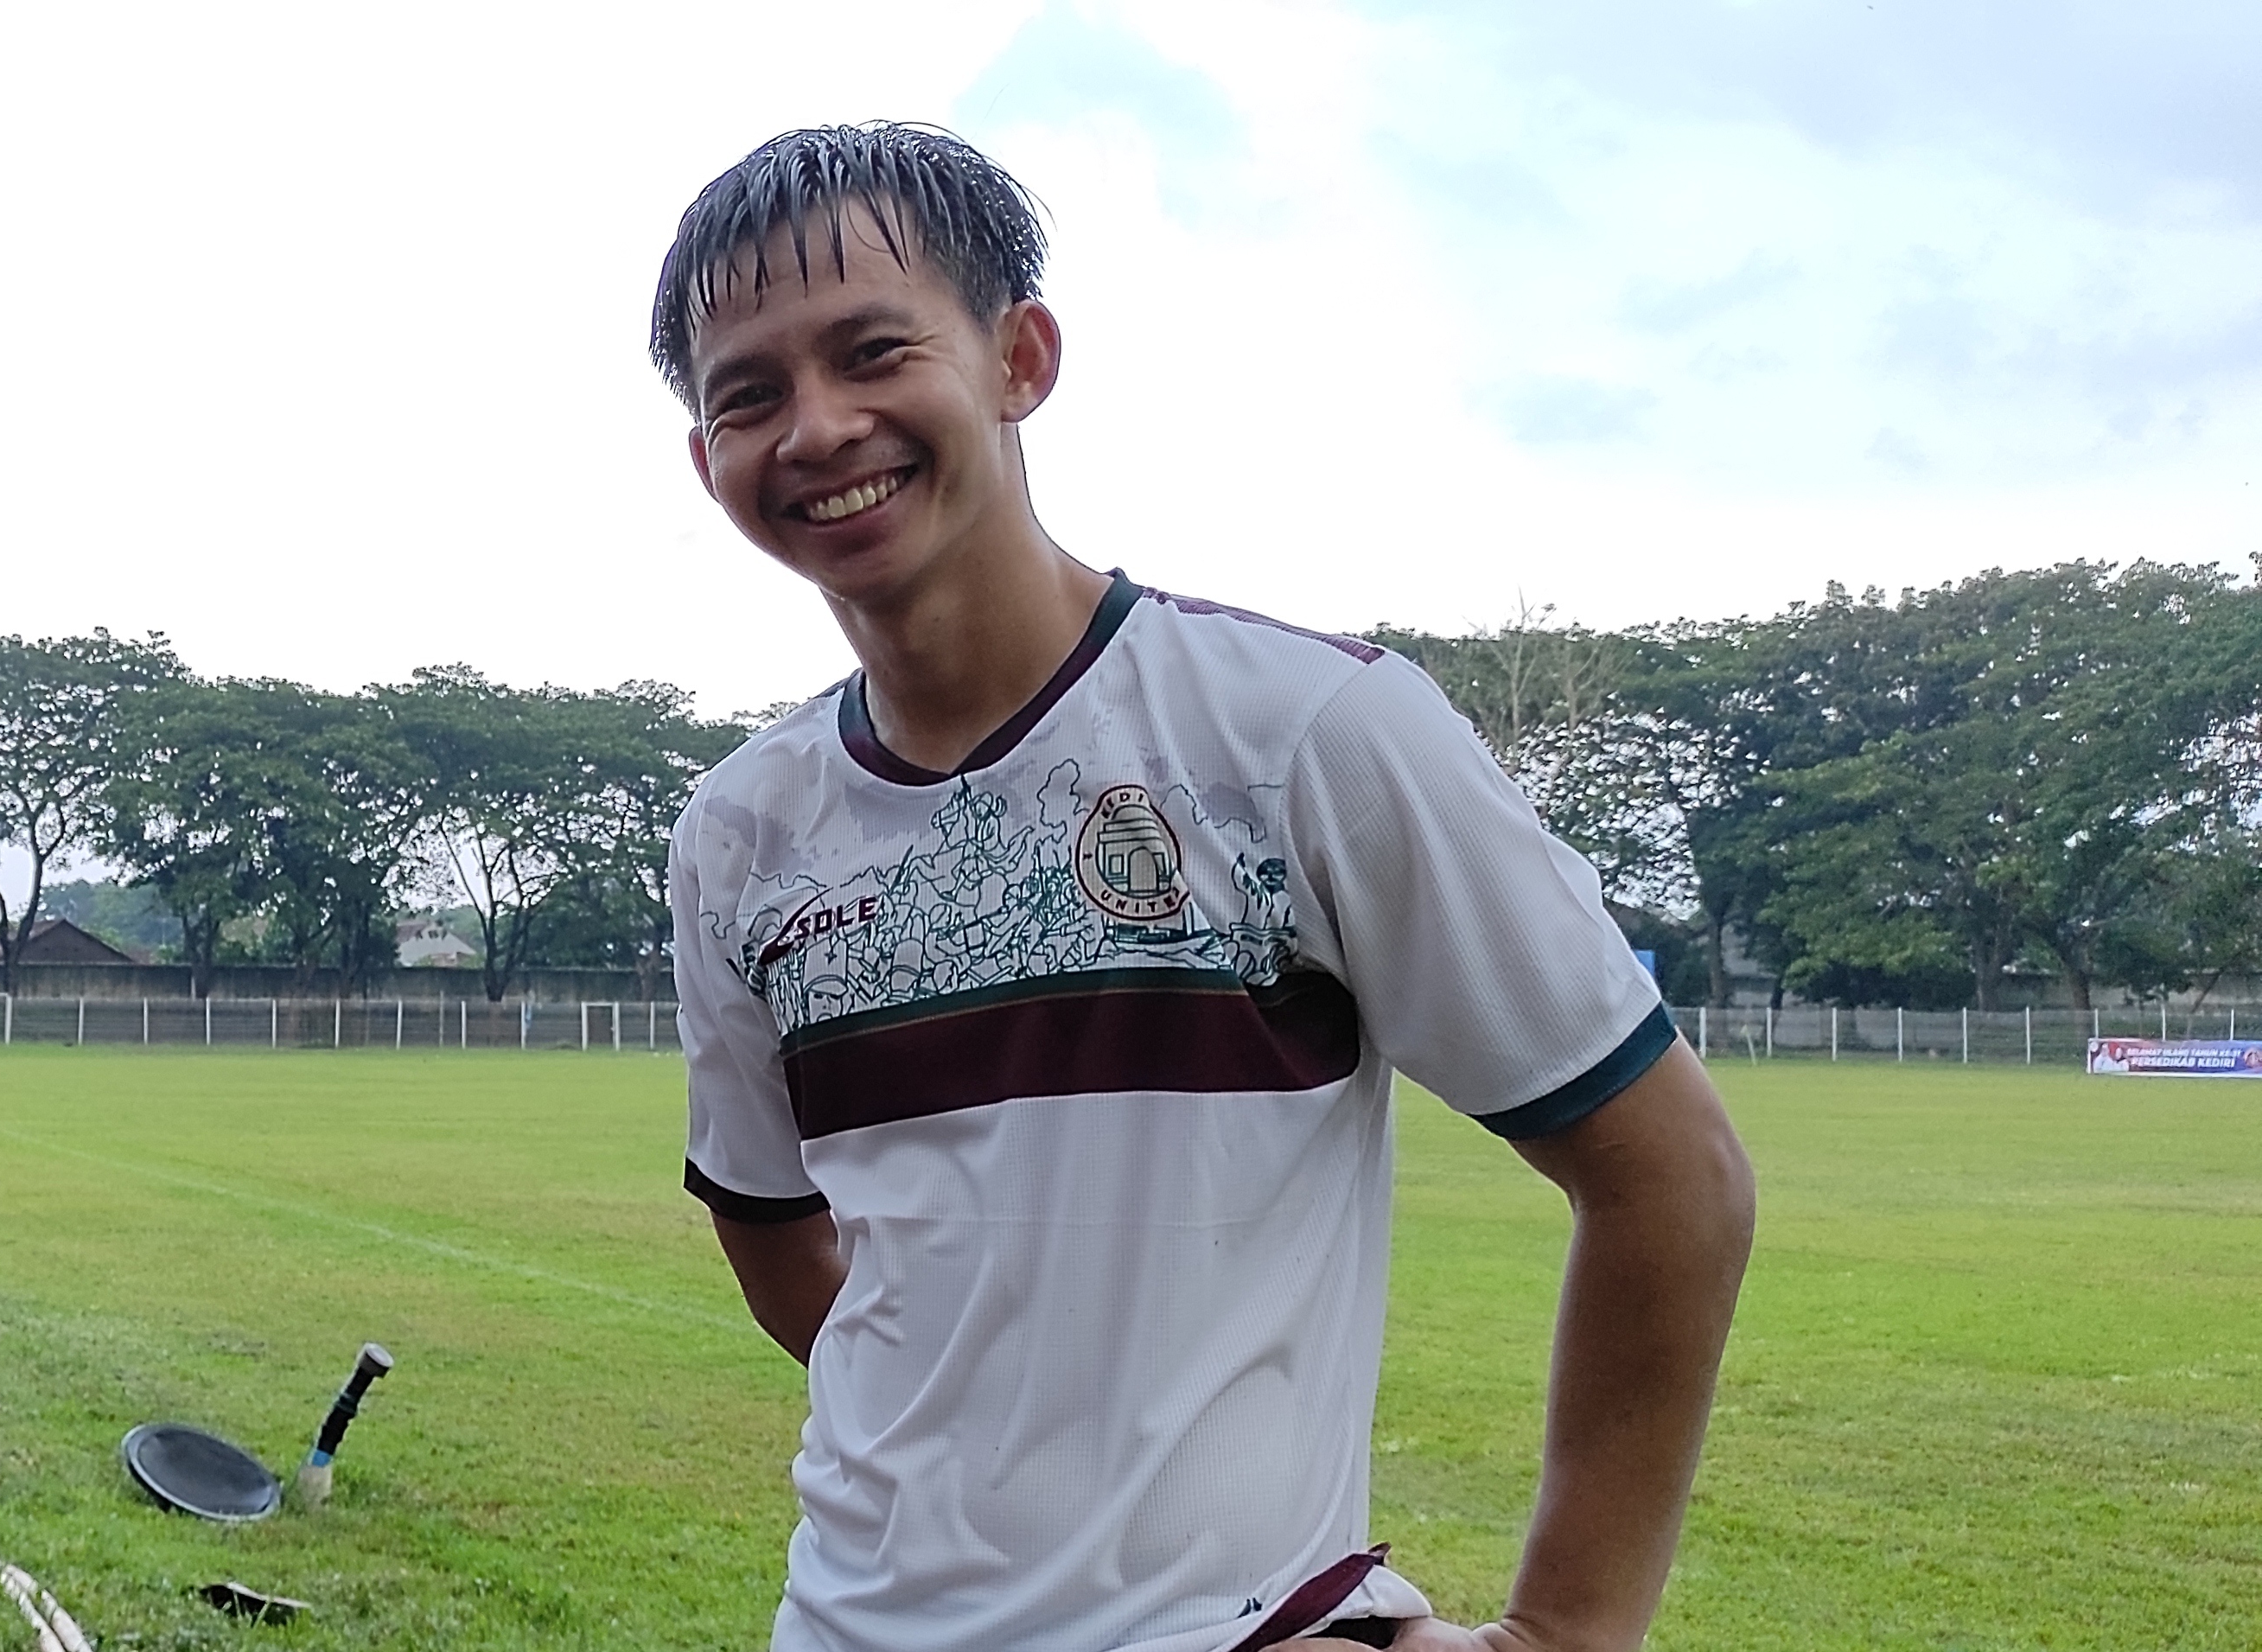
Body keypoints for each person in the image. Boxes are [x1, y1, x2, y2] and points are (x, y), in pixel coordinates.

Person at [653, 126, 1756, 1652]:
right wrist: (976, 1441)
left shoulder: (1305, 734)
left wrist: (1565, 1633)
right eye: (748, 394)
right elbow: (776, 1228)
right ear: (705, 456)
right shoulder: (738, 835)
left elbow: (1670, 1174)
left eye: (873, 351)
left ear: (1018, 358)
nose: (818, 427)